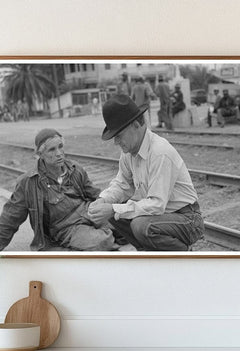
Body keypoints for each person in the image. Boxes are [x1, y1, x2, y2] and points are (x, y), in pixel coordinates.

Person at [87, 95, 205, 251]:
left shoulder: (159, 152)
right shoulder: (129, 152)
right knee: (112, 212)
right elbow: (122, 185)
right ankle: (148, 252)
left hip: (187, 219)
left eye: (119, 135)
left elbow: (156, 205)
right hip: (161, 217)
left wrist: (114, 209)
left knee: (140, 225)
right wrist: (103, 200)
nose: (116, 142)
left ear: (136, 125)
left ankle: (183, 257)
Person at [0, 128, 116, 252]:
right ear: (40, 155)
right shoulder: (29, 182)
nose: (59, 153)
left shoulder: (75, 168)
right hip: (67, 228)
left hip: (89, 212)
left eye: (60, 146)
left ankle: (102, 235)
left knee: (123, 219)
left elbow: (95, 194)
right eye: (52, 149)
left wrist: (111, 206)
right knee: (103, 242)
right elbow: (10, 218)